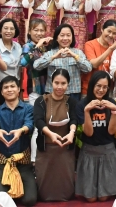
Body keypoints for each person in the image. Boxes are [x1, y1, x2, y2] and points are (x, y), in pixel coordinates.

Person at [0, 76, 39, 207]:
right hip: (2, 162)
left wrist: (21, 131)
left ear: (18, 89)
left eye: (12, 86)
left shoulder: (28, 109)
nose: (9, 90)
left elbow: (29, 124)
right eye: (6, 87)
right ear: (1, 92)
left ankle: (14, 191)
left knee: (30, 200)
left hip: (23, 162)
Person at [74, 71, 116, 201]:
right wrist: (87, 111)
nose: (101, 90)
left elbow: (112, 132)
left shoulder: (112, 103)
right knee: (90, 199)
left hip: (107, 151)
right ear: (92, 85)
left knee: (103, 198)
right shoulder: (82, 105)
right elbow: (88, 133)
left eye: (105, 87)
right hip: (89, 151)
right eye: (98, 86)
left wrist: (114, 111)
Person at [34, 69, 80, 202]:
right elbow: (38, 120)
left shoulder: (72, 102)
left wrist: (71, 133)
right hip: (46, 147)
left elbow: (74, 119)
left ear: (68, 84)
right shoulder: (41, 101)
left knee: (65, 180)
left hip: (65, 147)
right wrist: (50, 134)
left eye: (63, 83)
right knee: (45, 181)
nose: (59, 87)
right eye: (56, 83)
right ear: (51, 82)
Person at [33, 24, 92, 99]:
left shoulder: (78, 52)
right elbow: (36, 66)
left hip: (73, 93)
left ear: (72, 37)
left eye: (68, 35)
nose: (65, 38)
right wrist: (54, 57)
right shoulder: (50, 53)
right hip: (53, 92)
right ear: (56, 38)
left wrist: (75, 56)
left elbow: (88, 68)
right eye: (62, 35)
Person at [83, 19, 116, 94]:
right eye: (109, 31)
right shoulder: (90, 44)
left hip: (106, 90)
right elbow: (94, 64)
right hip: (90, 89)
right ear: (102, 29)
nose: (111, 35)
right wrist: (110, 49)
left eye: (114, 33)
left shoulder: (114, 49)